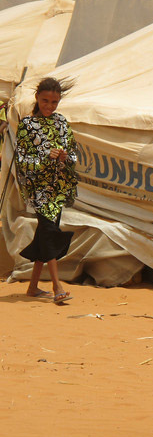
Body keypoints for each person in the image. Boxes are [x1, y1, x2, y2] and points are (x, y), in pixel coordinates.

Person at [15, 77, 77, 304]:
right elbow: (22, 161)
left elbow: (74, 155)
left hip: (59, 187)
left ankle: (32, 287)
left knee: (45, 233)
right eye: (45, 101)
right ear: (37, 98)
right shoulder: (27, 125)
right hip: (38, 188)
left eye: (54, 102)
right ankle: (57, 286)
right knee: (50, 231)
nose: (49, 106)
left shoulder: (62, 122)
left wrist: (64, 156)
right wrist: (44, 157)